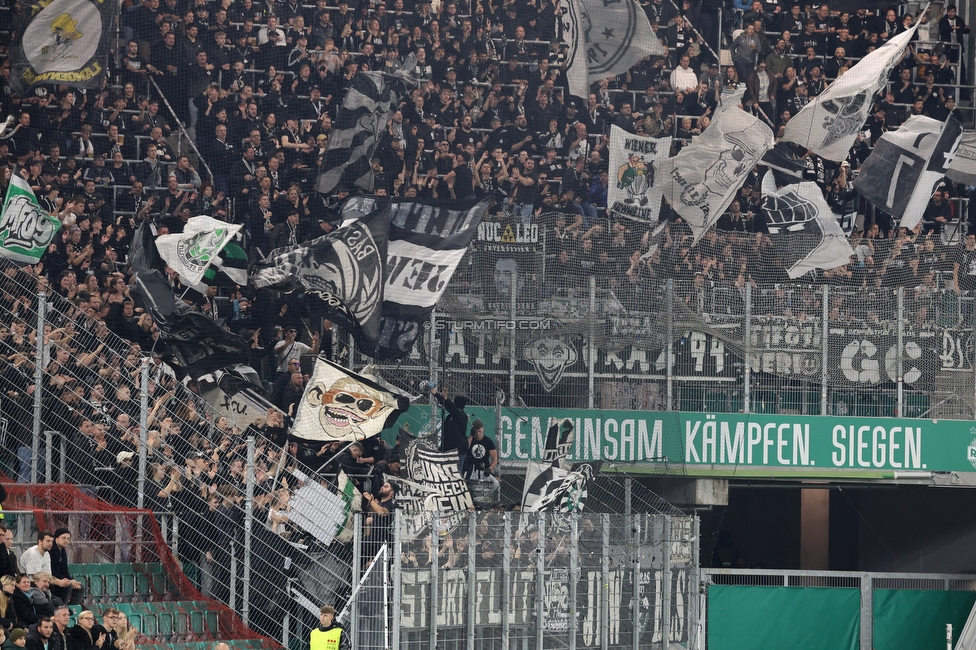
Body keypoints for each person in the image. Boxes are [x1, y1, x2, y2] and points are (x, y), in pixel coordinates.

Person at [431, 388, 469, 471]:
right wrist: (436, 394)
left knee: (456, 472)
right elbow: (446, 404)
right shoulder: (450, 416)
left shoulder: (462, 416)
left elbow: (450, 406)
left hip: (457, 450)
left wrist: (445, 398)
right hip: (448, 448)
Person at [48, 529, 84, 607]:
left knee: (80, 587)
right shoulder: (51, 551)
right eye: (63, 538)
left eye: (68, 539)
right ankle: (62, 608)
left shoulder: (63, 551)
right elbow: (52, 571)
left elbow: (64, 570)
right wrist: (69, 581)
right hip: (53, 580)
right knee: (68, 586)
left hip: (61, 579)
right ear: (56, 538)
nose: (66, 541)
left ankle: (71, 608)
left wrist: (71, 580)